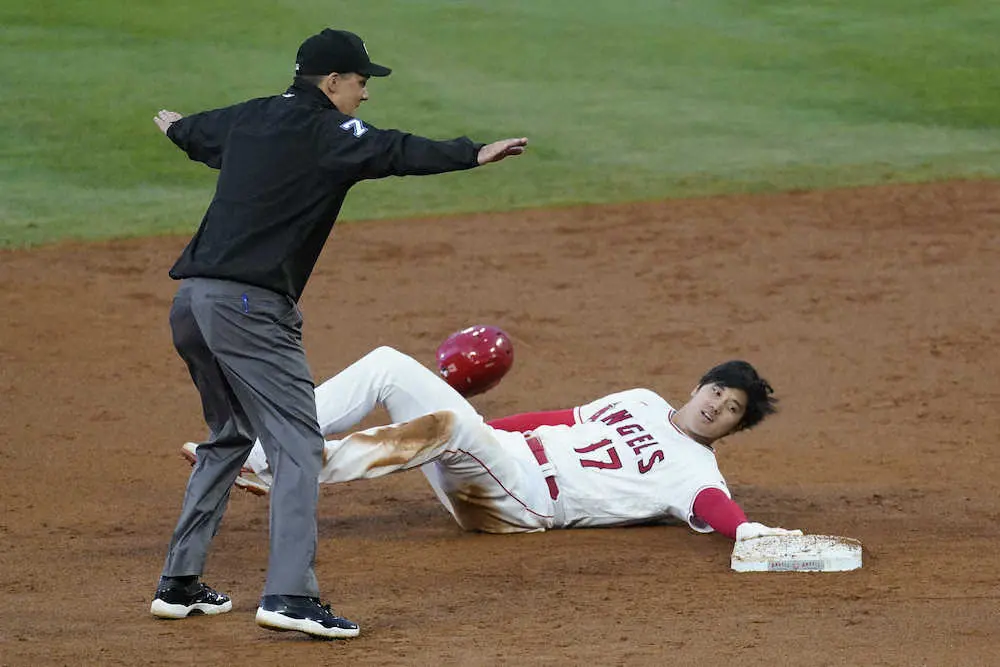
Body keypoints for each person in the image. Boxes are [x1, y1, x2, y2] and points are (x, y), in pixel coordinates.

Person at [149, 27, 529, 640]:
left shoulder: (251, 117)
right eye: (360, 82)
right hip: (249, 307)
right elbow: (397, 151)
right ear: (331, 82)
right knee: (298, 443)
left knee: (230, 435)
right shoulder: (331, 132)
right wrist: (472, 152)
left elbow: (194, 134)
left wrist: (175, 128)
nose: (365, 94)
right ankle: (289, 596)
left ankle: (179, 583)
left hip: (191, 301)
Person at [183, 346, 803, 543]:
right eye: (718, 392)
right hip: (500, 462)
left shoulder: (696, 473)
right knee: (388, 365)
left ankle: (295, 469)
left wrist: (748, 532)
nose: (717, 407)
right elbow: (556, 419)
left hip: (522, 504)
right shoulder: (639, 399)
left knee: (450, 430)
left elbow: (719, 512)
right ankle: (262, 454)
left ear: (731, 430)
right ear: (699, 385)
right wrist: (482, 426)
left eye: (731, 412)